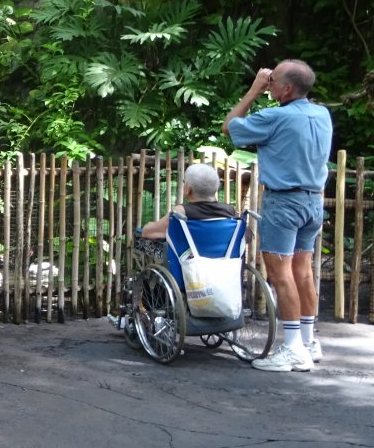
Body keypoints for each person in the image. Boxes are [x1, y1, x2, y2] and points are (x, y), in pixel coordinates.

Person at [223, 60, 333, 373]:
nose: (269, 85)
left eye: (272, 82)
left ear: (285, 89)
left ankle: (293, 349)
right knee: (302, 272)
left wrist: (254, 90)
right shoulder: (322, 114)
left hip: (283, 204)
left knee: (280, 274)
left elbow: (230, 126)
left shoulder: (274, 117)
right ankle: (309, 342)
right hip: (312, 203)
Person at [110, 162, 236, 331]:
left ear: (188, 189)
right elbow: (246, 237)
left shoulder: (181, 213)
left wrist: (147, 226)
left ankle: (145, 314)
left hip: (189, 276)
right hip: (224, 275)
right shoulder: (230, 213)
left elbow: (149, 232)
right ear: (216, 188)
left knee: (148, 264)